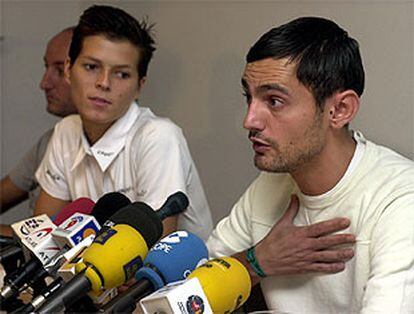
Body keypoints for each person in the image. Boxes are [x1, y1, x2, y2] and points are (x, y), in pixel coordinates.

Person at [207, 16, 414, 312]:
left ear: (339, 110)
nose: (249, 121)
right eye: (248, 98)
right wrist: (257, 261)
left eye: (274, 101)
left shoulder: (401, 201)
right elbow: (190, 291)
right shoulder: (269, 186)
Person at [34, 5, 213, 240]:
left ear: (140, 85)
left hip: (171, 276)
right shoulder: (67, 130)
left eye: (122, 74)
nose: (104, 83)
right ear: (69, 69)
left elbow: (149, 254)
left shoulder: (159, 136)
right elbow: (41, 238)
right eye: (91, 67)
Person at [0, 27, 77, 235]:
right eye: (46, 67)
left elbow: (46, 242)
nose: (44, 84)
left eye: (60, 70)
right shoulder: (54, 138)